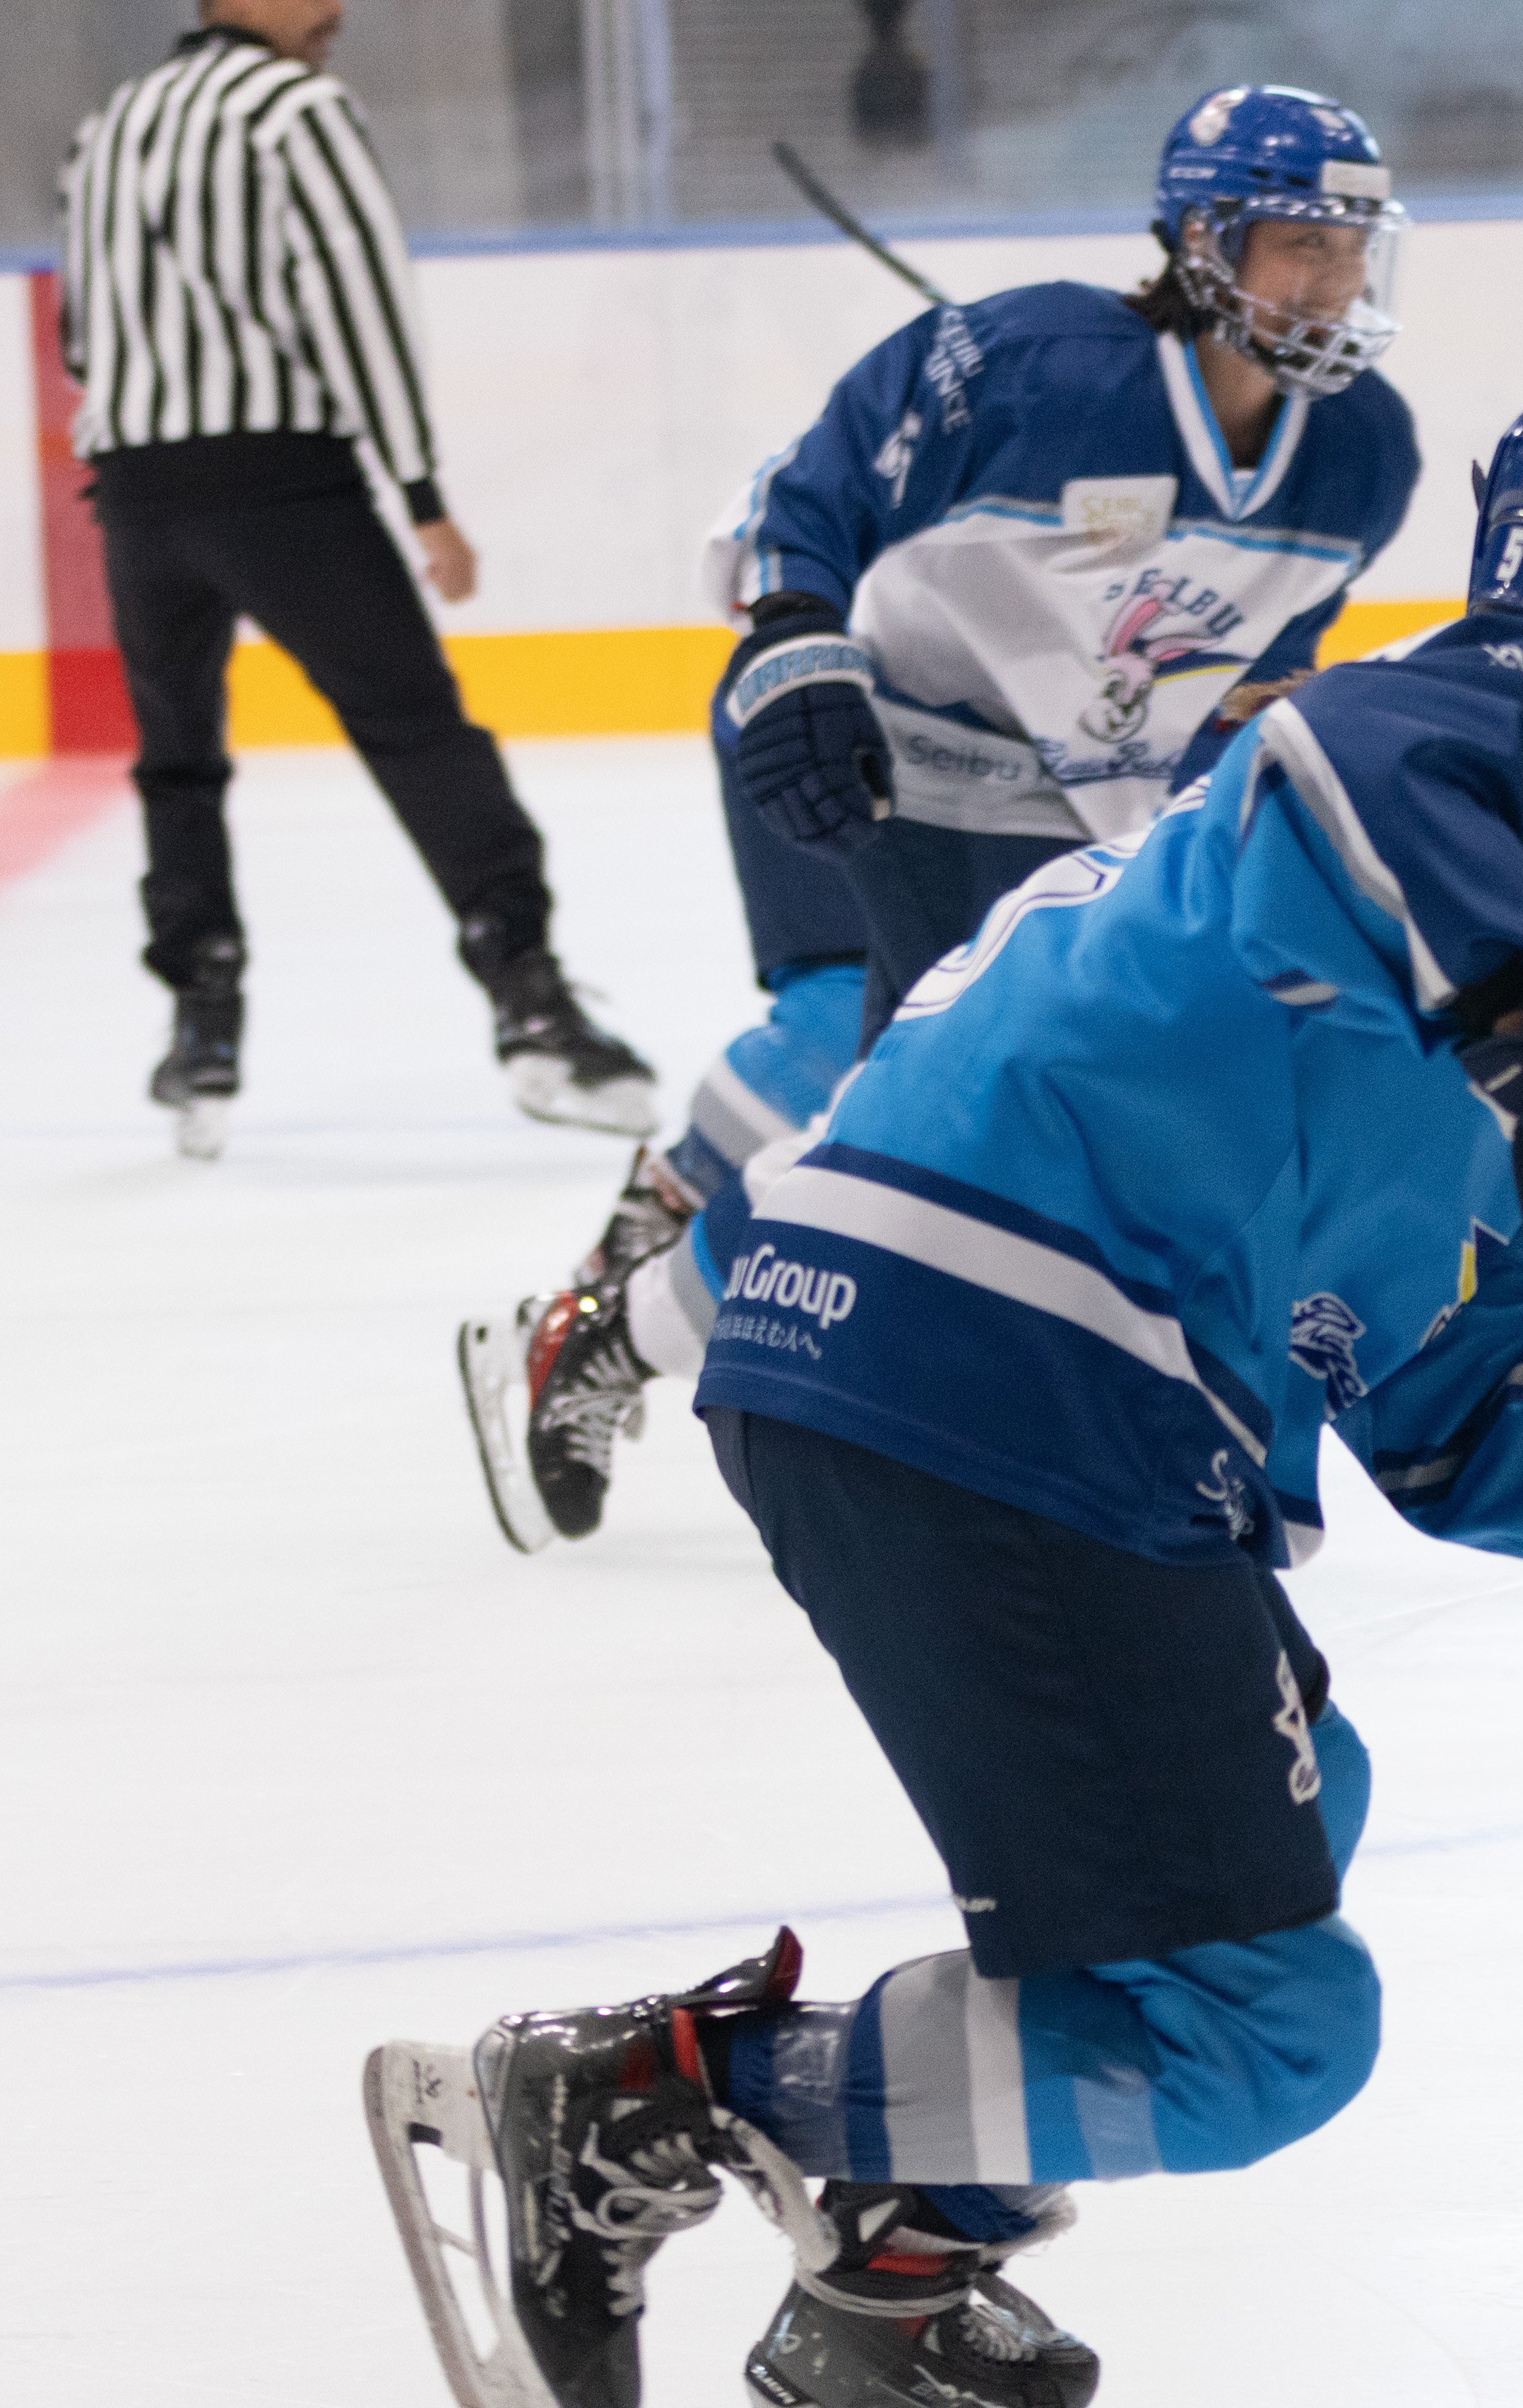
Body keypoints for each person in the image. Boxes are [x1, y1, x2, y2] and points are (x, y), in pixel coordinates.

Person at [367, 363, 1523, 2408]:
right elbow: (1359, 767)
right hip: (1002, 1356)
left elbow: (1449, 1382)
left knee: (1301, 1818)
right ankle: (655, 2096)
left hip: (928, 1355)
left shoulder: (1468, 944)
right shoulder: (1487, 735)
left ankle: (893, 2254)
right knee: (1260, 2031)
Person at [451, 83, 1422, 1550]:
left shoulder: (1367, 459)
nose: (1329, 281)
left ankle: (638, 1261)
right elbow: (811, 489)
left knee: (847, 1045)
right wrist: (791, 635)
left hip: (1057, 804)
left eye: (1348, 249)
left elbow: (1250, 671)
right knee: (904, 1110)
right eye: (1295, 244)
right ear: (1202, 240)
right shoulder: (1033, 360)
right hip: (861, 737)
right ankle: (622, 1327)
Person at [59, 0, 656, 1159]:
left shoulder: (110, 122)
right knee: (417, 731)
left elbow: (82, 331)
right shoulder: (298, 111)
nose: (337, 14)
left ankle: (202, 1026)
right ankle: (529, 999)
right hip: (279, 483)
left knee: (179, 759)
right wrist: (421, 493)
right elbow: (363, 310)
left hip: (134, 492)